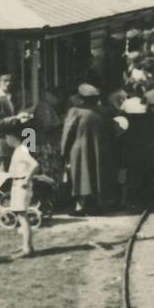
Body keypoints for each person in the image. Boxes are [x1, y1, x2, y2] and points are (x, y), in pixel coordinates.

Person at [61, 84, 116, 216]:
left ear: (81, 97)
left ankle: (81, 207)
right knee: (98, 174)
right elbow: (112, 130)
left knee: (80, 175)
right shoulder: (105, 111)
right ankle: (98, 205)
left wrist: (64, 151)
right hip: (100, 148)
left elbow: (68, 132)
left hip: (80, 148)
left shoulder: (75, 111)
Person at [0, 72, 30, 171]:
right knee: (2, 177)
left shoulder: (11, 97)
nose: (8, 83)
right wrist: (17, 118)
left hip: (12, 143)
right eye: (5, 81)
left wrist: (22, 118)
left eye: (10, 81)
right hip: (0, 144)